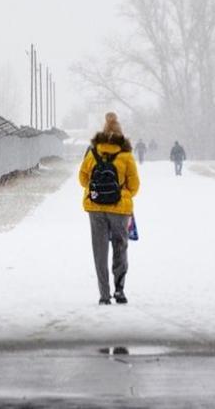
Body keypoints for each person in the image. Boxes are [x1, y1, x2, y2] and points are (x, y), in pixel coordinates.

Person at [78, 112, 140, 305]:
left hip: (95, 208)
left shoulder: (92, 152)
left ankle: (104, 295)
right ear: (121, 135)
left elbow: (82, 179)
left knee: (100, 250)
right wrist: (122, 194)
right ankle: (119, 290)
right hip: (119, 209)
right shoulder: (126, 155)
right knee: (120, 248)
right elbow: (135, 185)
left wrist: (96, 191)